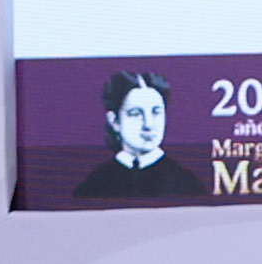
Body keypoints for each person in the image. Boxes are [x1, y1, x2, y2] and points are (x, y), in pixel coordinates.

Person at [75, 71, 203, 200]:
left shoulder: (187, 184)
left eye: (156, 112)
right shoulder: (94, 186)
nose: (148, 125)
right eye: (136, 114)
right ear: (114, 121)